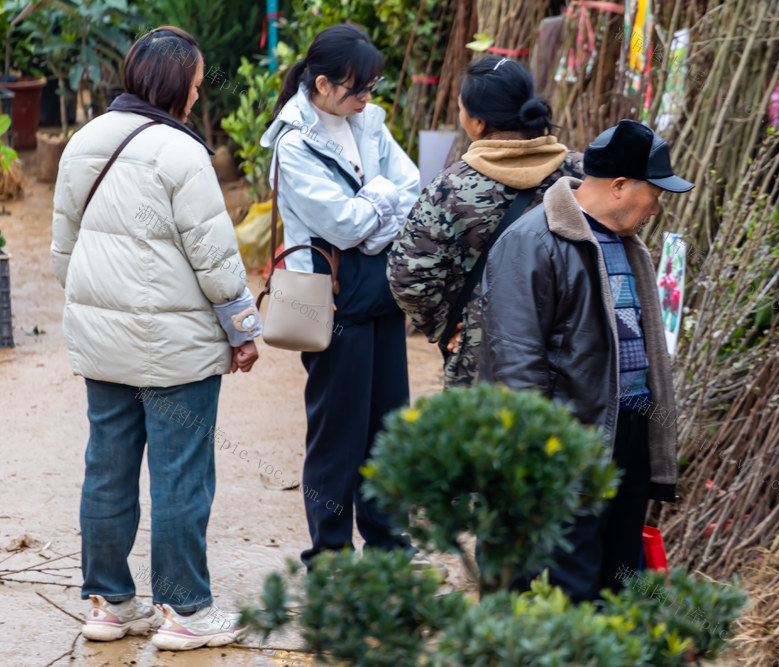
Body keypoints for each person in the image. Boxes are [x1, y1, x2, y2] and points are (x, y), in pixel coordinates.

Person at [51, 26, 261, 650]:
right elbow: (215, 258)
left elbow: (64, 253)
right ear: (174, 84)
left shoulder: (83, 141)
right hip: (177, 351)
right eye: (195, 83)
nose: (197, 94)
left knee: (107, 470)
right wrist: (243, 329)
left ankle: (110, 605)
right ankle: (186, 611)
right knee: (180, 475)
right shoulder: (182, 152)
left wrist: (105, 309)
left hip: (103, 346)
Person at [480, 119, 692, 602]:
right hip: (570, 443)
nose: (657, 207)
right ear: (619, 186)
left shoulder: (625, 242)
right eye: (655, 193)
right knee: (567, 582)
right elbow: (515, 361)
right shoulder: (532, 241)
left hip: (626, 434)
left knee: (617, 581)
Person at [259, 24, 421, 566]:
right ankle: (329, 554)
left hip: (382, 293)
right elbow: (346, 225)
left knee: (388, 424)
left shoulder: (368, 122)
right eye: (359, 88)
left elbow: (412, 188)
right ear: (324, 84)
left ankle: (387, 544)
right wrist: (379, 210)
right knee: (338, 433)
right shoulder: (293, 144)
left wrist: (374, 211)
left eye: (372, 87)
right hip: (331, 304)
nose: (367, 98)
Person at [388, 55, 583, 388]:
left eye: (461, 108)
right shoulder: (581, 175)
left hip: (483, 362)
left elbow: (408, 276)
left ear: (478, 123)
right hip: (571, 357)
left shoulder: (449, 188)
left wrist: (448, 326)